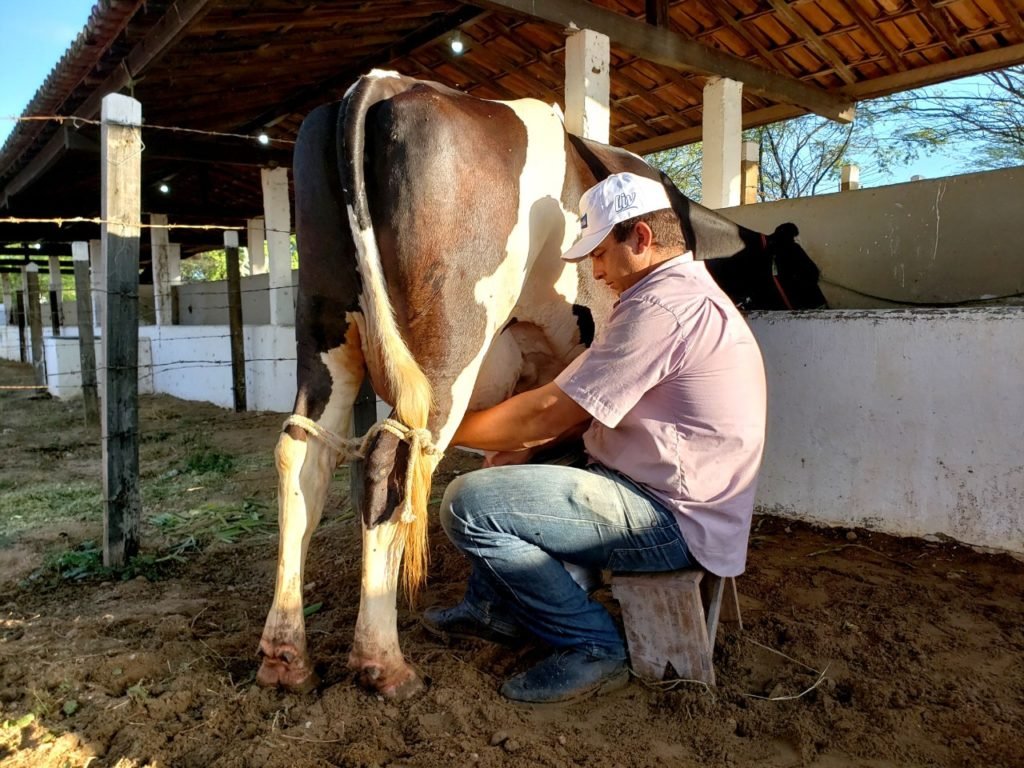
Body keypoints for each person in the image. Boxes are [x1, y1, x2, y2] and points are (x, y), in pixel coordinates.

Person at [424, 172, 768, 704]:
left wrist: (437, 429)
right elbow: (578, 397)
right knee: (509, 466)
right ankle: (494, 610)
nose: (596, 271)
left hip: (672, 519)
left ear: (642, 238)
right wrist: (516, 448)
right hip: (668, 489)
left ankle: (592, 646)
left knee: (469, 505)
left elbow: (548, 410)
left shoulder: (662, 310)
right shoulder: (672, 293)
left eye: (600, 253)